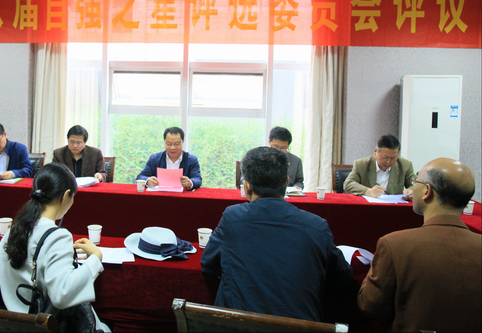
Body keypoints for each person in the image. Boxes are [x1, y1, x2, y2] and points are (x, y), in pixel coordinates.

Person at [201, 147, 352, 322]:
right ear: (286, 182)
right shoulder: (317, 226)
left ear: (247, 186)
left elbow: (208, 264)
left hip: (238, 325)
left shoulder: (232, 217)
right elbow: (342, 277)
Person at [358, 158, 481, 332]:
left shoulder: (395, 245)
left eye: (416, 181)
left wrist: (374, 267)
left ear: (427, 191)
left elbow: (371, 306)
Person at [0, 163, 110, 331]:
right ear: (65, 196)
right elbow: (62, 295)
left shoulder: (12, 231)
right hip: (45, 325)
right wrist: (95, 258)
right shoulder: (58, 237)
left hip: (16, 324)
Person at [344, 134, 415, 197]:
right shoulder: (362, 164)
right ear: (375, 151)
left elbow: (416, 185)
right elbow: (348, 183)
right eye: (385, 157)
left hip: (393, 206)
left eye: (393, 158)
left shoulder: (405, 165)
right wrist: (368, 191)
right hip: (369, 205)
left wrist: (411, 190)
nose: (388, 161)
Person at [136, 127, 202, 191]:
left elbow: (197, 179)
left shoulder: (191, 160)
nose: (173, 148)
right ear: (164, 142)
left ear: (182, 142)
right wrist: (148, 181)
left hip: (182, 197)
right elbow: (141, 176)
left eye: (177, 144)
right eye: (169, 144)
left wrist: (190, 183)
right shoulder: (154, 159)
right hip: (160, 196)